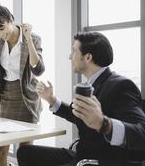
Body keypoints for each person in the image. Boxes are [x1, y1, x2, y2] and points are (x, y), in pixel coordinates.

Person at [17, 32, 145, 166]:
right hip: (80, 153)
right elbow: (80, 116)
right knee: (25, 153)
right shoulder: (91, 84)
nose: (70, 56)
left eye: (74, 51)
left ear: (88, 57)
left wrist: (104, 124)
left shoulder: (120, 86)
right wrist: (51, 99)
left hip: (95, 160)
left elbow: (142, 133)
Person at [0, 0, 45, 166]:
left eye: (2, 28)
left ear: (11, 19)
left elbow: (38, 69)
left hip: (27, 98)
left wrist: (27, 39)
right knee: (0, 151)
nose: (1, 34)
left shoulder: (33, 38)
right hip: (7, 98)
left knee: (25, 153)